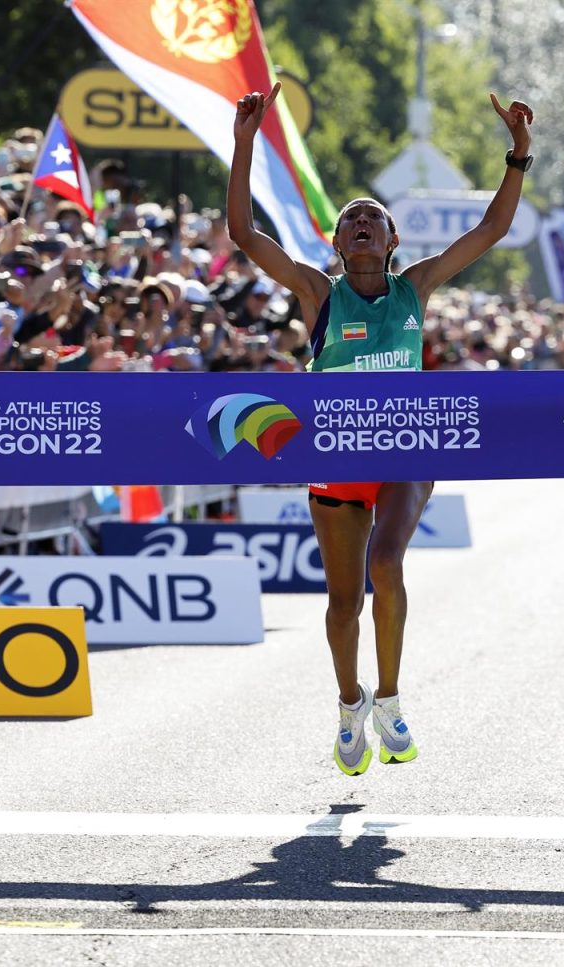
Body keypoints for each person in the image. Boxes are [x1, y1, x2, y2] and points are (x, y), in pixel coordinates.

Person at [227, 83, 534, 775]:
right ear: (336, 244)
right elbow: (245, 235)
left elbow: (489, 231)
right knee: (342, 602)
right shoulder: (317, 294)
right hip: (336, 458)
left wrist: (518, 155)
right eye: (351, 219)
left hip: (406, 453)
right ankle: (349, 704)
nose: (363, 221)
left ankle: (391, 699)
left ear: (393, 242)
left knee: (385, 564)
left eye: (375, 217)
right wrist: (245, 142)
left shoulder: (414, 289)